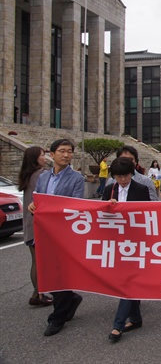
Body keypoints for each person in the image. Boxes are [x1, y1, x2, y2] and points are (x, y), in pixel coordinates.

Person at [28, 139, 85, 337]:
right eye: (62, 151)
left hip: (65, 233)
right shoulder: (43, 177)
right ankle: (70, 298)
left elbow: (76, 205)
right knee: (48, 271)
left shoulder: (77, 178)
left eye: (69, 151)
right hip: (45, 232)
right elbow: (38, 199)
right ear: (52, 154)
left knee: (59, 273)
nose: (66, 155)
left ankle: (57, 318)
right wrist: (33, 207)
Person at [103, 157, 151, 342]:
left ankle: (118, 325)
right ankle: (136, 319)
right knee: (124, 280)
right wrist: (109, 207)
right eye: (119, 176)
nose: (123, 180)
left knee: (127, 282)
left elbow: (147, 214)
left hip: (135, 241)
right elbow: (100, 215)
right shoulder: (109, 190)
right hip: (116, 242)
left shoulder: (141, 189)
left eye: (126, 176)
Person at [17, 146, 53, 307]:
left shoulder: (27, 175)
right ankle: (37, 294)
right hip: (38, 222)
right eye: (42, 155)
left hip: (29, 222)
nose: (45, 158)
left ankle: (38, 293)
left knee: (35, 260)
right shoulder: (41, 175)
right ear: (35, 159)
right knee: (40, 261)